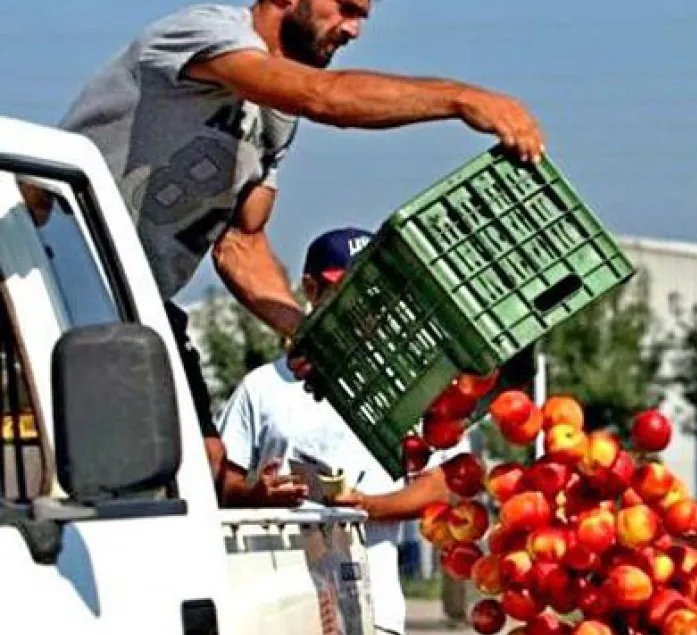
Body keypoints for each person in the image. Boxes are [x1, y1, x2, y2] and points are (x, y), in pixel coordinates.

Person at [52, 0, 545, 489]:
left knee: (206, 463)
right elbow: (323, 97)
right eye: (345, 9)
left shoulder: (276, 117)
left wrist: (302, 329)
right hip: (47, 272)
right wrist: (461, 98)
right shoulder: (205, 31)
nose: (353, 30)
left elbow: (241, 241)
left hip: (137, 301)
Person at [215, 226, 462, 635]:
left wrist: (364, 505)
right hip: (280, 614)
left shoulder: (408, 387)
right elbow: (224, 486)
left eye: (372, 293)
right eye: (343, 290)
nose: (359, 306)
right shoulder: (261, 387)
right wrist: (259, 496)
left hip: (373, 611)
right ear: (310, 289)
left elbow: (442, 486)